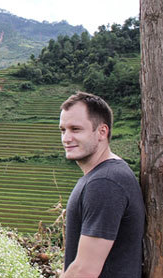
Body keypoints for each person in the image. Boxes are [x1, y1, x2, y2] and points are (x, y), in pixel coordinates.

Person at [58, 91, 144, 277]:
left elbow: (85, 270)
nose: (66, 138)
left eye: (76, 129)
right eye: (63, 130)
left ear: (102, 132)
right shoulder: (108, 174)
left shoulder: (105, 183)